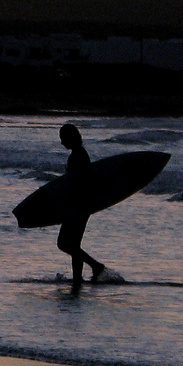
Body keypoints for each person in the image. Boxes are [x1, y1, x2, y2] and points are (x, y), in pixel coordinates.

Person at [57, 123, 109, 290]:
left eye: (63, 138)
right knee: (73, 244)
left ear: (70, 138)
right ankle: (77, 280)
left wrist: (67, 203)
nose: (61, 142)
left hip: (77, 206)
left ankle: (95, 266)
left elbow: (78, 182)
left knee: (64, 244)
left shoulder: (77, 156)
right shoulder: (79, 154)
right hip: (82, 205)